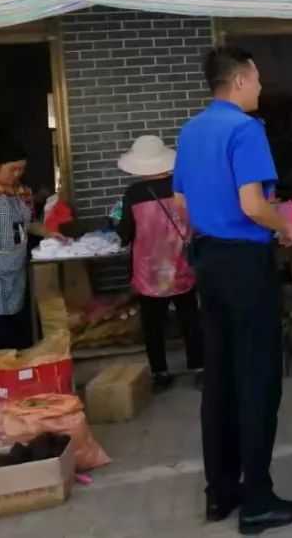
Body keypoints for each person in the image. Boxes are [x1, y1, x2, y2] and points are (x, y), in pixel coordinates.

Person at [173, 45, 292, 535]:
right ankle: (257, 500)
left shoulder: (190, 131)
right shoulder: (245, 129)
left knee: (220, 376)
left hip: (208, 261)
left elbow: (181, 200)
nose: (260, 87)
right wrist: (285, 227)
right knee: (257, 377)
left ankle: (220, 492)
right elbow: (253, 204)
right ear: (238, 81)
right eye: (256, 79)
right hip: (244, 265)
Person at [0, 140, 67, 411]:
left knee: (12, 325)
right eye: (12, 169)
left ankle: (14, 382)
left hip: (14, 268)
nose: (17, 174)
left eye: (21, 169)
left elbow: (27, 224)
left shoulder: (22, 191)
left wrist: (48, 232)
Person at [114, 135, 203, 393]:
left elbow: (125, 233)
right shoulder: (183, 187)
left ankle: (160, 373)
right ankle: (200, 368)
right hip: (182, 265)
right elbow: (197, 222)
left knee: (154, 324)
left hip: (149, 270)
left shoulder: (133, 194)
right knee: (190, 319)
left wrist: (116, 225)